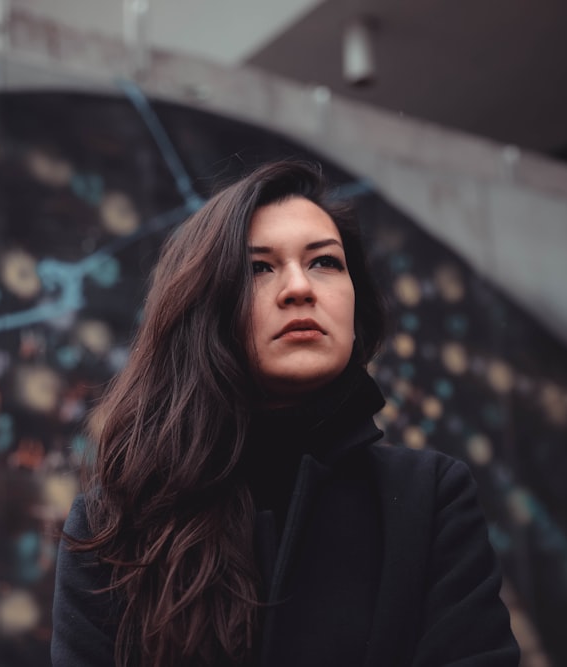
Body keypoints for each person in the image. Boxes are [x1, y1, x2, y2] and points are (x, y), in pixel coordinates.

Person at [51, 160, 520, 667]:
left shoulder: (430, 498)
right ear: (204, 308)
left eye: (325, 262)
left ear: (355, 304)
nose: (299, 287)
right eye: (259, 267)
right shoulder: (114, 528)